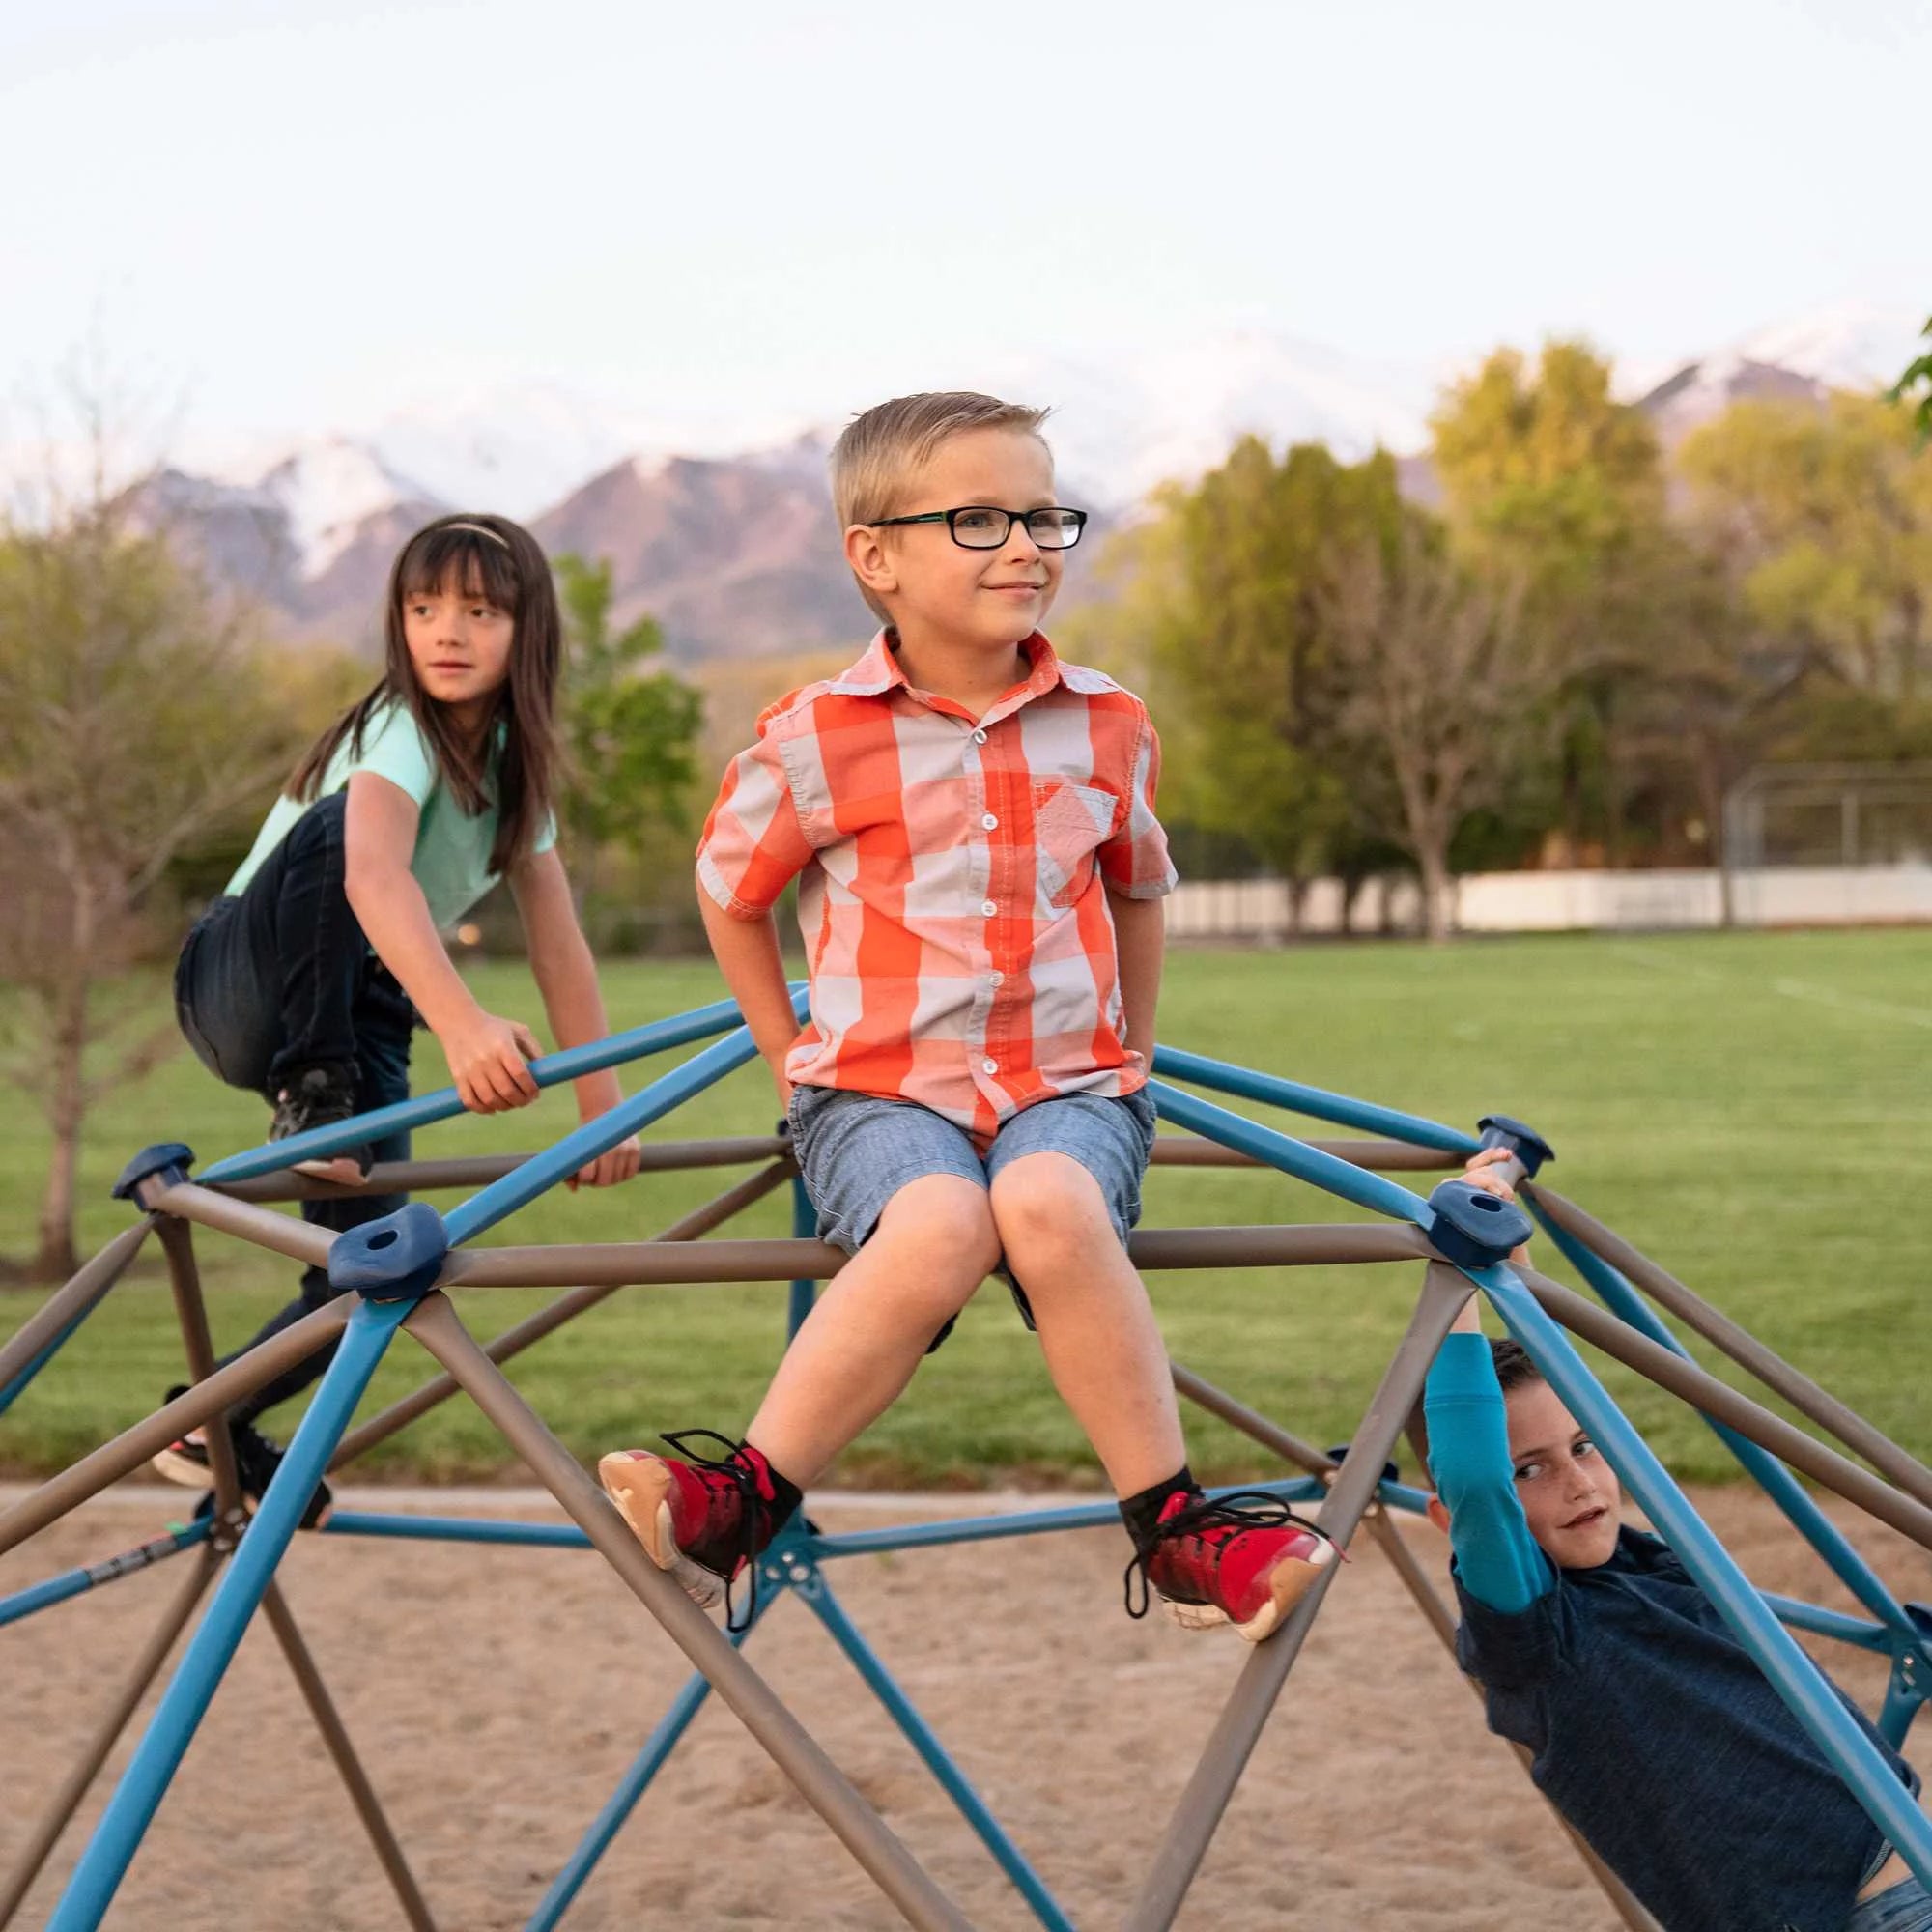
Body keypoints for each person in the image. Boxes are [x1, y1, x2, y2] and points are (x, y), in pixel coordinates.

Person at [598, 391, 1334, 1640]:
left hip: (1066, 1089)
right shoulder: (815, 738)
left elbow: (1139, 886)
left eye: (1045, 515)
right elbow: (732, 896)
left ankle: (1176, 1531)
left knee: (1047, 1203)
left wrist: (1131, 1049)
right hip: (878, 1094)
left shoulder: (1107, 722)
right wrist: (791, 1061)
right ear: (874, 557)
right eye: (981, 518)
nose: (1027, 545)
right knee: (938, 1223)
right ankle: (742, 1500)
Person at [155, 513, 640, 1520]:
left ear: (529, 630)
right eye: (423, 609)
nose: (446, 632)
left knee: (374, 1265)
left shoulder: (513, 766)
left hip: (358, 1002)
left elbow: (558, 939)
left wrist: (602, 1101)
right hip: (244, 973)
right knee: (344, 825)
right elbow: (370, 873)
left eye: (478, 610)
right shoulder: (396, 727)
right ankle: (312, 1096)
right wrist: (462, 1023)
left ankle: (207, 1425)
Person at [1425, 1148, 1927, 1932]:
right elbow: (1475, 1478)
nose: (1580, 1482)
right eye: (1534, 1470)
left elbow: (1567, 1389)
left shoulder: (1630, 1559)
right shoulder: (1533, 1638)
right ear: (1450, 1524)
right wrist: (1451, 1269)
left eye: (1583, 1450)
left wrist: (1510, 1255)